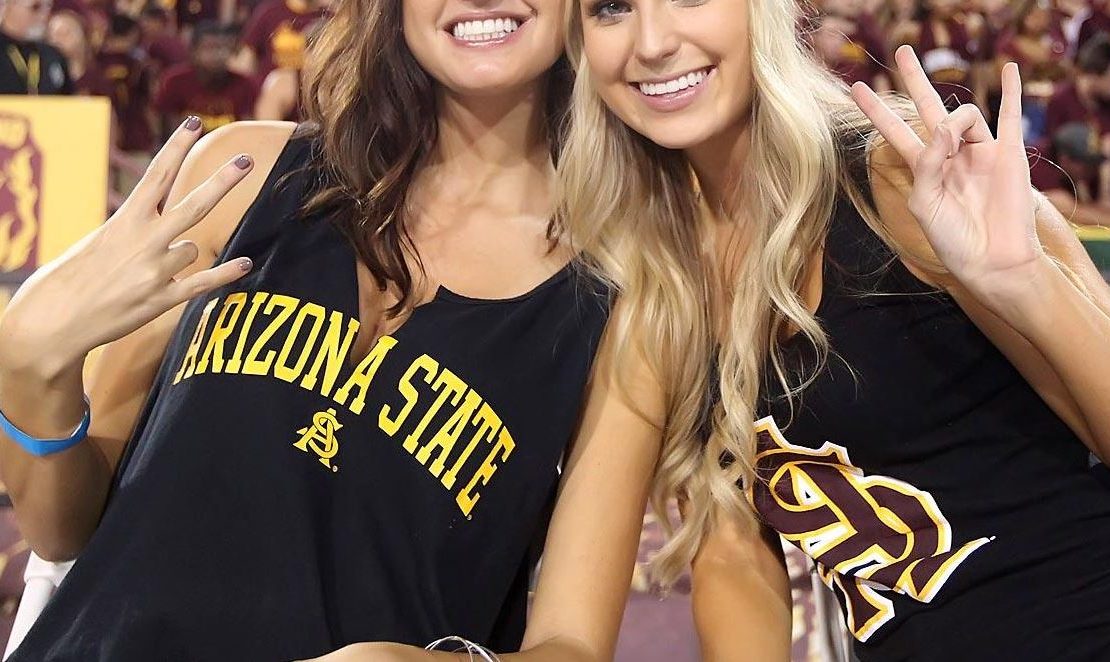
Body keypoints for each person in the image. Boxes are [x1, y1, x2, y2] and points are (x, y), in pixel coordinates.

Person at [0, 1, 660, 660]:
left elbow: (572, 646)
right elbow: (64, 532)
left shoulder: (623, 301)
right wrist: (29, 371)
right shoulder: (240, 175)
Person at [561, 0, 1110, 659]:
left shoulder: (899, 178)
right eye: (611, 7)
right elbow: (731, 545)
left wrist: (1027, 283)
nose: (652, 42)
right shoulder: (654, 276)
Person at [154, 21, 258, 136]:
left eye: (223, 48)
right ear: (194, 51)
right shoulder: (175, 81)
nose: (218, 55)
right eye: (210, 48)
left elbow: (248, 130)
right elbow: (167, 128)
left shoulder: (245, 85)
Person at [1033, 122, 1110, 224]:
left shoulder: (1080, 172)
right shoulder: (1038, 164)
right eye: (1087, 164)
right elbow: (1071, 211)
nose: (1092, 170)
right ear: (1065, 159)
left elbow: (1095, 206)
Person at [0, 0, 71, 94]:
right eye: (36, 7)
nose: (44, 15)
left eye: (48, 7)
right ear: (10, 5)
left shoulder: (53, 55)